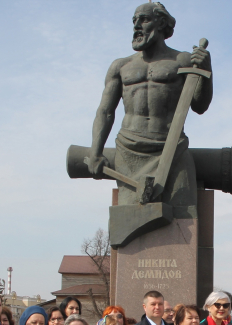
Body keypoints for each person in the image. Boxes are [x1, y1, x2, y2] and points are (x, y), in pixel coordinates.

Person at [86, 2, 212, 246]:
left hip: (171, 150)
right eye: (134, 21)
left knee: (184, 216)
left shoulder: (182, 60)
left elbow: (199, 105)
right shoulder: (120, 66)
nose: (136, 26)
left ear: (162, 23)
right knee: (129, 220)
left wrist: (207, 70)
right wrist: (95, 151)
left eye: (143, 20)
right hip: (129, 151)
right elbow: (105, 111)